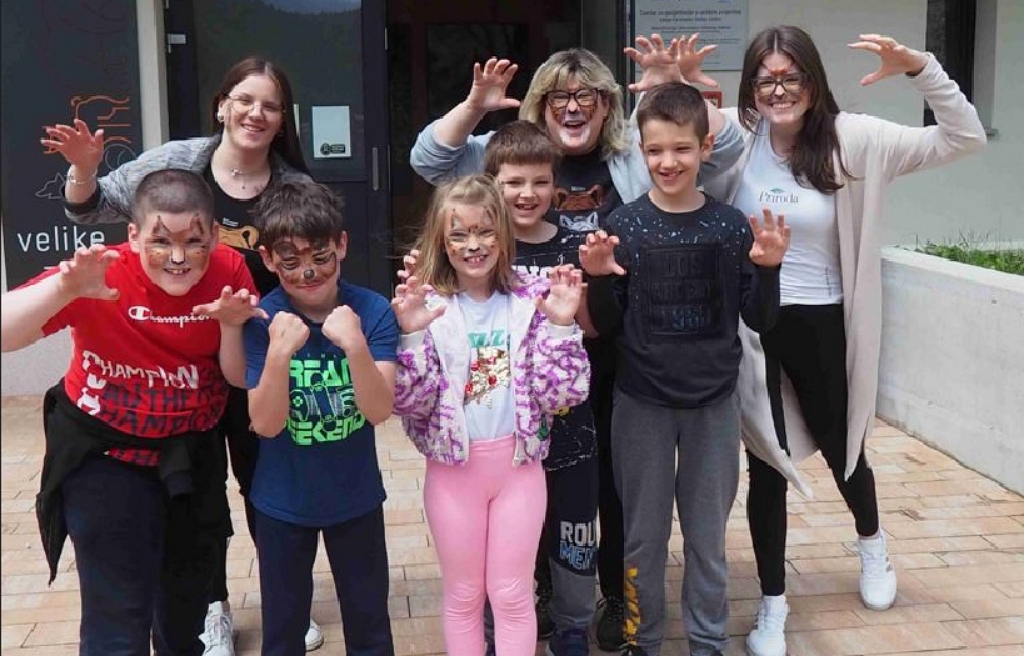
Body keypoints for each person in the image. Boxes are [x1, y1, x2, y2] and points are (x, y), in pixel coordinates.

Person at [409, 36, 743, 649]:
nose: (572, 106)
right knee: (531, 486)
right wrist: (475, 106)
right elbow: (429, 160)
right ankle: (529, 592)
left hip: (613, 350)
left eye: (587, 95)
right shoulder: (504, 153)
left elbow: (717, 152)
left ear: (607, 105)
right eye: (559, 96)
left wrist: (680, 88)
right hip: (522, 376)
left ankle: (609, 595)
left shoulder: (633, 153)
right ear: (539, 105)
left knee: (607, 487)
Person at [686, 26, 987, 656]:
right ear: (751, 87)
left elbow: (964, 136)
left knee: (841, 444)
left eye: (790, 77)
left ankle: (872, 544)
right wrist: (677, 84)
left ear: (813, 80)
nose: (778, 91)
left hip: (823, 319)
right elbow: (667, 151)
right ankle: (772, 603)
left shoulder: (856, 139)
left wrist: (922, 67)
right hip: (754, 321)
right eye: (765, 79)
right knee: (767, 462)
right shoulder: (737, 138)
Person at [41, 56, 324, 653]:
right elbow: (91, 207)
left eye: (270, 105)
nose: (256, 113)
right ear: (222, 105)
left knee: (270, 485)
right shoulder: (176, 163)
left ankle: (285, 600)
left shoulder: (297, 186)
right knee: (201, 493)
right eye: (244, 99)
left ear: (283, 119)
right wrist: (83, 171)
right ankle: (209, 608)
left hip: (257, 360)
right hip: (184, 367)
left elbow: (313, 275)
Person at [1, 169, 264, 656]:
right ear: (134, 235)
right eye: (161, 241)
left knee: (185, 623)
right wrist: (64, 290)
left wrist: (231, 325)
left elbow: (238, 375)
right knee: (117, 627)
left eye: (193, 242)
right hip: (106, 457)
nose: (178, 258)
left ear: (213, 236)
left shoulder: (230, 270)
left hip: (191, 459)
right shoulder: (102, 271)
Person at [579, 82, 791, 656]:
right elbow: (607, 324)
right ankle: (641, 639)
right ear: (640, 152)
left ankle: (707, 642)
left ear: (705, 148)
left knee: (706, 539)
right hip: (641, 405)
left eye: (681, 148)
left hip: (712, 407)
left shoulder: (730, 226)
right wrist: (597, 277)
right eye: (655, 150)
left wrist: (769, 270)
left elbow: (759, 318)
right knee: (642, 540)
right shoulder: (624, 225)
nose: (667, 162)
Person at [391, 175, 591, 656]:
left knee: (512, 593)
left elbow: (562, 395)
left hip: (519, 472)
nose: (473, 245)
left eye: (484, 231)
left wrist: (562, 326)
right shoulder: (428, 304)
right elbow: (411, 402)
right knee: (464, 595)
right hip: (453, 475)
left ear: (503, 233)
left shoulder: (534, 299)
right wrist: (411, 337)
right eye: (459, 234)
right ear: (442, 240)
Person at [242, 180, 398, 656]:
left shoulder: (371, 310)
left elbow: (379, 409)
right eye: (290, 261)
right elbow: (265, 423)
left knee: (370, 627)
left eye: (320, 256)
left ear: (342, 245)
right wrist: (278, 354)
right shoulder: (263, 319)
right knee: (283, 631)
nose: (308, 272)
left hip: (356, 497)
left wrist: (355, 345)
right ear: (269, 259)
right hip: (282, 502)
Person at [483, 120, 599, 656]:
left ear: (556, 185)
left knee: (574, 527)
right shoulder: (480, 252)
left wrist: (581, 299)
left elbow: (594, 330)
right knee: (505, 533)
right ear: (491, 183)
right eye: (513, 182)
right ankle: (502, 628)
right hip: (501, 429)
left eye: (539, 181)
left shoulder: (574, 248)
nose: (526, 194)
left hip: (570, 424)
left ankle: (573, 626)